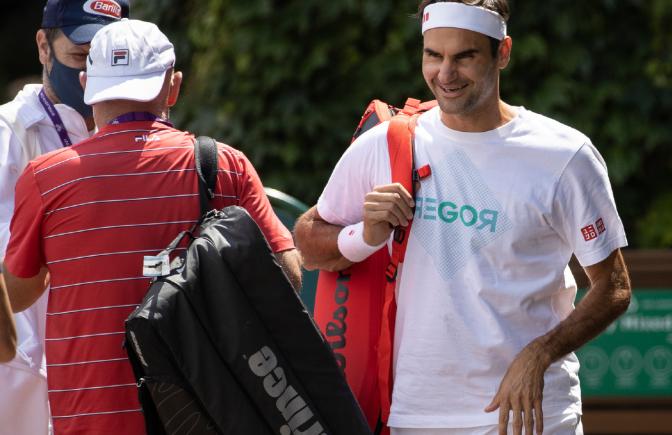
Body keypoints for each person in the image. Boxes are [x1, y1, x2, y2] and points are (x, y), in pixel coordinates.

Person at [294, 1, 632, 434]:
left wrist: (539, 354)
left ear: (503, 53)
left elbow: (614, 288)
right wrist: (365, 235)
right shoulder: (387, 144)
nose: (445, 73)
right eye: (433, 55)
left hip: (532, 415)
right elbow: (307, 244)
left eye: (465, 56)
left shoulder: (565, 156)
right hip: (416, 416)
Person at [3, 18, 302, 434]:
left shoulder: (45, 178)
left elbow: (18, 293)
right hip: (209, 412)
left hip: (90, 416)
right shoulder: (225, 166)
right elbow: (286, 277)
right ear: (173, 86)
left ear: (89, 84)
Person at [0, 1, 129, 433]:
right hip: (22, 378)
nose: (88, 75)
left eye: (102, 58)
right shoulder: (9, 135)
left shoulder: (136, 132)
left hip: (103, 372)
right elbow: (11, 274)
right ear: (43, 46)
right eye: (79, 56)